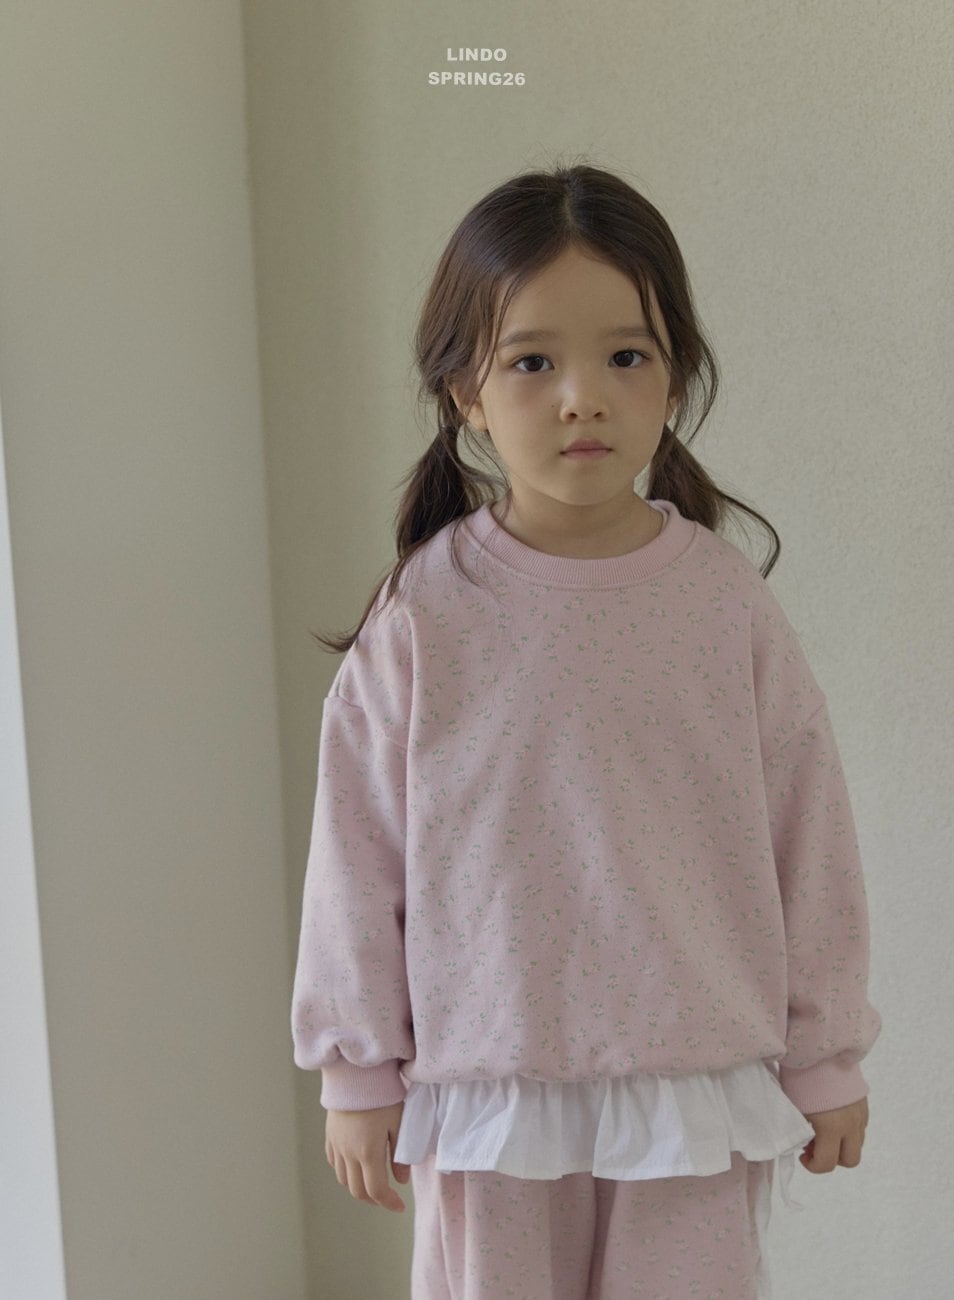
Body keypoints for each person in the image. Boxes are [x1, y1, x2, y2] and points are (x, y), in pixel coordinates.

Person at [290, 161, 881, 1300]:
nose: (582, 397)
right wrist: (356, 1071)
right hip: (492, 1088)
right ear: (464, 391)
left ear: (675, 376)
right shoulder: (425, 616)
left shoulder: (724, 604)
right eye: (531, 362)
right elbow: (356, 857)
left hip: (691, 1080)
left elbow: (810, 840)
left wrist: (826, 1053)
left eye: (626, 356)